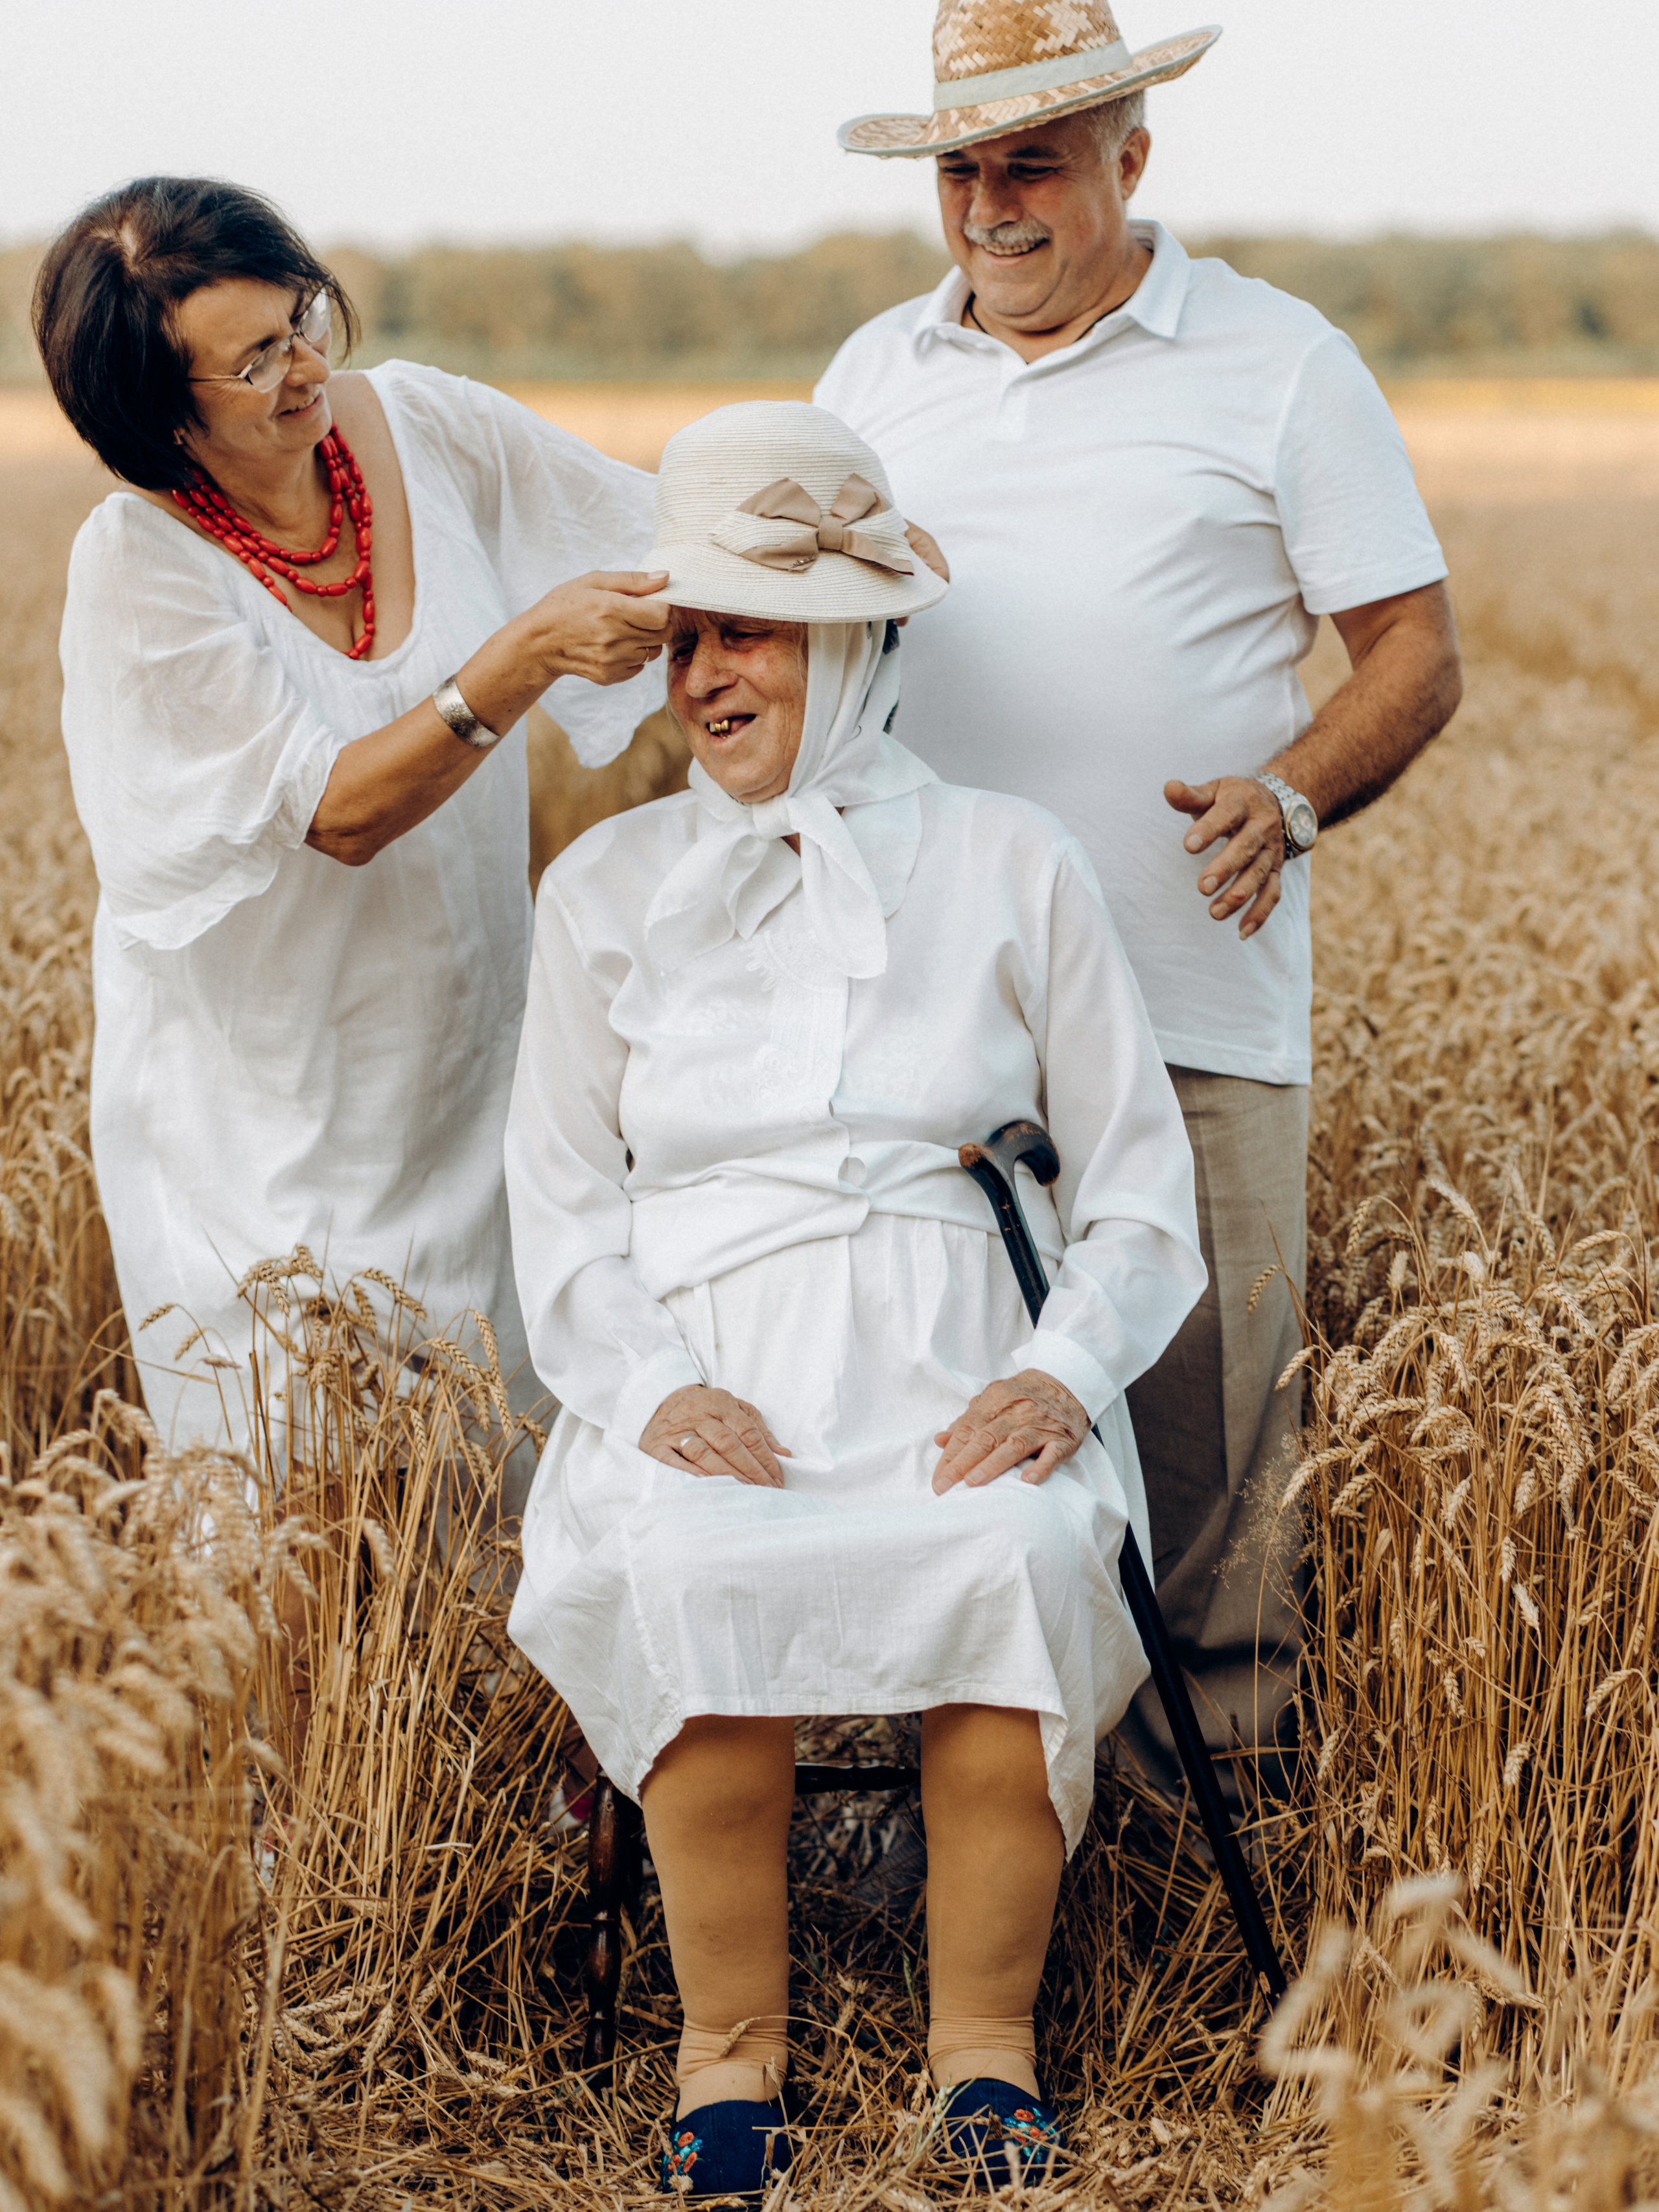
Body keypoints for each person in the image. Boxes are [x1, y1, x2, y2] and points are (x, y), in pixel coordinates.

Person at [503, 400, 1205, 2196]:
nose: (705, 672)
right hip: (709, 1362)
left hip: (960, 1355)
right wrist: (651, 1388)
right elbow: (567, 1201)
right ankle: (728, 2053)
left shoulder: (1013, 858)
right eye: (686, 632)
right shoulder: (605, 888)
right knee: (691, 1560)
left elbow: (1135, 1186)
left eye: (747, 626)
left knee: (1022, 1553)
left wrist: (1061, 1374)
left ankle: (987, 2051)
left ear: (856, 636)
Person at [817, 0, 1463, 1809]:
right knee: (937, 1449)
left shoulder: (1278, 360)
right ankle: (969, 1871)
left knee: (1205, 1483)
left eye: (1035, 158)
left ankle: (1202, 1914)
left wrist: (1291, 791)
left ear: (1133, 157)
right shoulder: (873, 374)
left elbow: (1415, 649)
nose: (993, 202)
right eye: (964, 164)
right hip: (923, 1022)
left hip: (1189, 1009)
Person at [36, 177, 670, 1466]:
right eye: (254, 358)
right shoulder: (140, 564)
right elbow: (336, 812)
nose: (305, 366)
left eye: (303, 317)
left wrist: (836, 538)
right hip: (262, 1127)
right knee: (298, 1514)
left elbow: (655, 537)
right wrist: (520, 657)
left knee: (500, 1481)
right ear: (158, 419)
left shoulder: (428, 426)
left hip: (467, 1072)